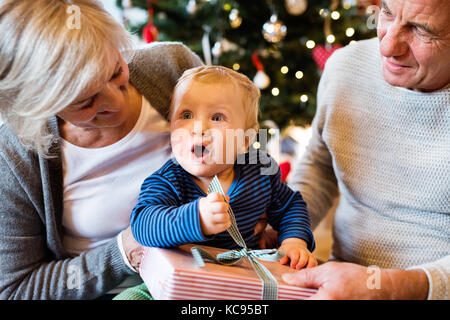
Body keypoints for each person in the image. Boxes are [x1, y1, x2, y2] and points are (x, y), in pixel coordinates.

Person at [0, 0, 204, 299]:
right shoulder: (15, 156)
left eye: (115, 72)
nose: (116, 104)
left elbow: (246, 152)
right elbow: (16, 289)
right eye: (85, 102)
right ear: (39, 105)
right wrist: (124, 251)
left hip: (216, 274)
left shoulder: (173, 67)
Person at [283, 0, 450, 299]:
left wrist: (382, 287)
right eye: (386, 11)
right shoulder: (346, 66)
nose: (386, 47)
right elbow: (321, 165)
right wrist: (284, 227)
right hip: (337, 284)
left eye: (420, 29)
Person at [129, 65, 316, 268]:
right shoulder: (168, 181)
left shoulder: (259, 171)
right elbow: (143, 224)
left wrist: (293, 241)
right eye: (186, 115)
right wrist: (197, 218)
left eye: (217, 118)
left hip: (245, 274)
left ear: (244, 140)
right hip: (182, 277)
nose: (198, 128)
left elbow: (291, 206)